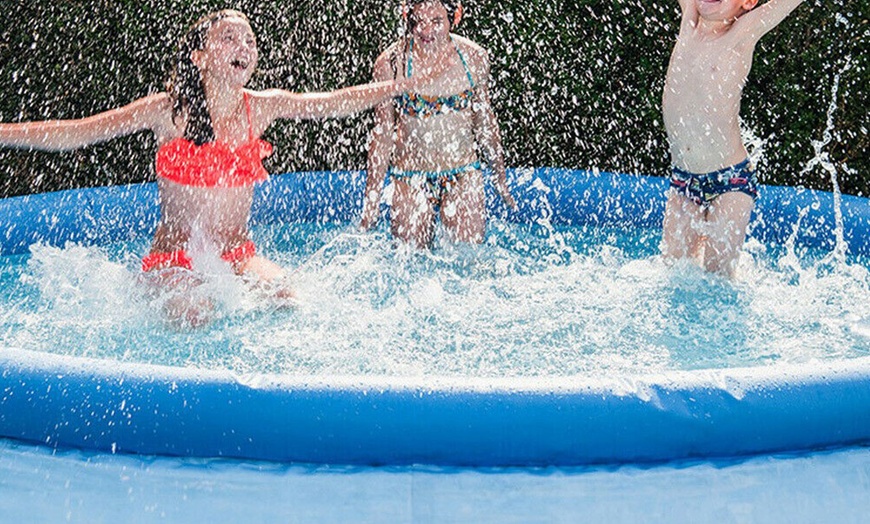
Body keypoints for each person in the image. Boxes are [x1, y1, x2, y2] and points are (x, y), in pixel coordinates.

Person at [0, 9, 445, 326]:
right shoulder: (169, 112)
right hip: (176, 256)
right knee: (195, 315)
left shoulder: (261, 108)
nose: (244, 47)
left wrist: (400, 85)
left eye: (249, 40)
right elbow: (77, 132)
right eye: (229, 38)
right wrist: (6, 132)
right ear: (199, 56)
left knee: (291, 300)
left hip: (236, 255)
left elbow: (329, 104)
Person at [661, 0, 805, 277]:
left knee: (718, 280)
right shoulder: (690, 18)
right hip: (683, 182)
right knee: (673, 273)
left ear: (748, 2)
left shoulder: (742, 33)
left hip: (730, 182)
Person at [359, 0, 515, 249]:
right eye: (419, 21)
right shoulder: (391, 63)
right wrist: (372, 198)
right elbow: (383, 133)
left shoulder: (473, 58)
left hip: (463, 173)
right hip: (410, 176)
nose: (427, 31)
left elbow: (484, 121)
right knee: (408, 263)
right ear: (407, 17)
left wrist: (500, 176)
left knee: (470, 258)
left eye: (436, 21)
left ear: (455, 16)